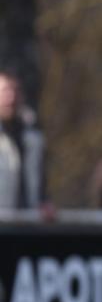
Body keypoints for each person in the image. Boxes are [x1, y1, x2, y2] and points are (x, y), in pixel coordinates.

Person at [0, 71, 50, 215]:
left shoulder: (34, 137)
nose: (10, 98)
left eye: (14, 91)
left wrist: (45, 203)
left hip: (28, 227)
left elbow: (40, 184)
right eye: (4, 91)